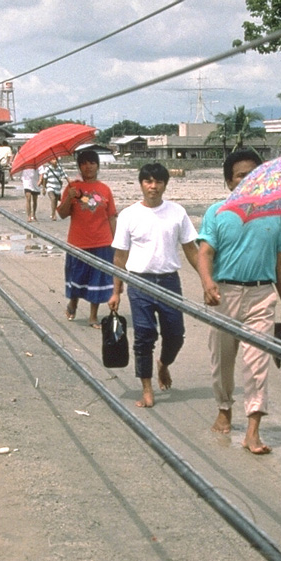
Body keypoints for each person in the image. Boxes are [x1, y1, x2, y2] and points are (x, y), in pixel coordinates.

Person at [195, 149, 281, 455]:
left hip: (262, 297)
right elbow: (205, 253)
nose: (248, 179)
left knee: (257, 365)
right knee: (222, 360)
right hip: (224, 295)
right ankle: (224, 408)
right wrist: (208, 282)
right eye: (241, 175)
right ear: (229, 181)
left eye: (253, 173)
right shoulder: (217, 212)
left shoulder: (274, 215)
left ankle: (253, 430)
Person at [109, 163, 200, 408]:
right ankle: (147, 388)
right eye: (148, 181)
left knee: (175, 335)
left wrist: (206, 279)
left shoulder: (177, 212)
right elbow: (120, 257)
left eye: (158, 181)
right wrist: (116, 291)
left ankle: (164, 364)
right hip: (139, 282)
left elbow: (191, 249)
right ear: (141, 184)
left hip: (170, 281)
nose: (153, 186)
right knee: (144, 336)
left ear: (165, 185)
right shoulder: (129, 215)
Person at [57, 149, 117, 327]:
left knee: (97, 281)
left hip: (102, 243)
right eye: (84, 163)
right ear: (79, 167)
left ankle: (93, 316)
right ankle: (73, 303)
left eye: (92, 162)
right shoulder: (72, 187)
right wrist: (69, 197)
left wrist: (117, 242)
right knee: (77, 277)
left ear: (97, 165)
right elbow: (61, 213)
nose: (88, 166)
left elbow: (112, 217)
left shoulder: (105, 190)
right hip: (78, 243)